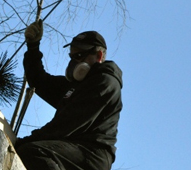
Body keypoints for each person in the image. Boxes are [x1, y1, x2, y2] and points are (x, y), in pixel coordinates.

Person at [15, 19, 123, 170]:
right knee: (29, 152)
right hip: (71, 147)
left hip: (93, 153)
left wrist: (24, 141)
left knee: (32, 151)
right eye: (71, 56)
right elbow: (39, 81)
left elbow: (67, 123)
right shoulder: (74, 87)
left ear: (98, 56)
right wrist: (33, 47)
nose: (74, 62)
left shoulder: (105, 83)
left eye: (79, 56)